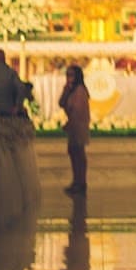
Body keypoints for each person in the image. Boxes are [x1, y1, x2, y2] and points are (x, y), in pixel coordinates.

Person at [58, 64, 91, 195]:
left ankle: (81, 182)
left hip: (79, 124)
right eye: (67, 75)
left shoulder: (80, 90)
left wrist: (71, 121)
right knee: (73, 152)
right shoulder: (70, 90)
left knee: (79, 153)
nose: (69, 78)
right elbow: (61, 103)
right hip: (73, 125)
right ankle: (76, 180)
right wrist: (65, 90)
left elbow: (78, 109)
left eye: (71, 75)